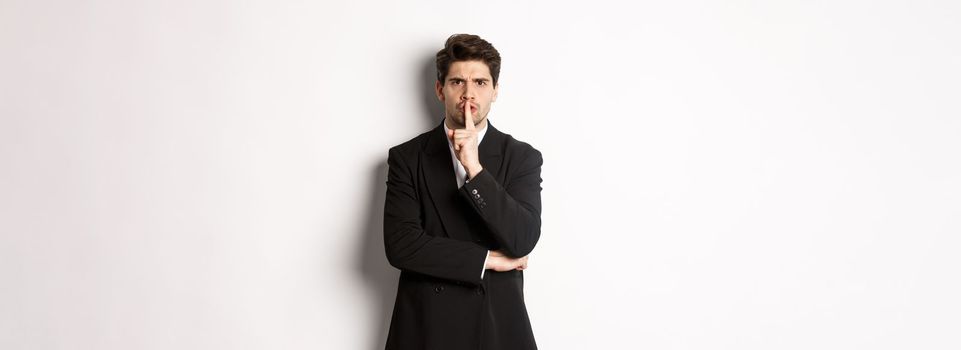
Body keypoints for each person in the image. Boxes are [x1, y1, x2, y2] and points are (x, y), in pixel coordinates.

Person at [383, 34, 543, 350]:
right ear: (440, 89)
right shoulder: (407, 157)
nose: (469, 94)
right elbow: (401, 246)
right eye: (458, 82)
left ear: (495, 91)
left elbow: (523, 238)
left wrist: (474, 168)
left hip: (496, 325)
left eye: (481, 83)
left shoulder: (522, 157)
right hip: (425, 326)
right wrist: (486, 259)